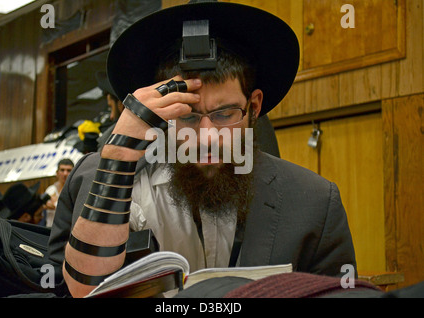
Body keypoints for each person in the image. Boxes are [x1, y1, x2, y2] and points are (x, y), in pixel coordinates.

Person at [49, 2, 357, 297]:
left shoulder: (314, 202)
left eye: (225, 114)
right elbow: (83, 291)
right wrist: (118, 158)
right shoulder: (94, 179)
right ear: (162, 113)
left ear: (253, 106)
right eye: (187, 116)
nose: (207, 136)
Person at [43, 159, 74, 227]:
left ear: (73, 173)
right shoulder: (50, 190)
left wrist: (55, 204)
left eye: (68, 170)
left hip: (67, 231)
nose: (65, 174)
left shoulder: (75, 191)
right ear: (57, 173)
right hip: (49, 229)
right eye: (62, 170)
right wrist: (44, 206)